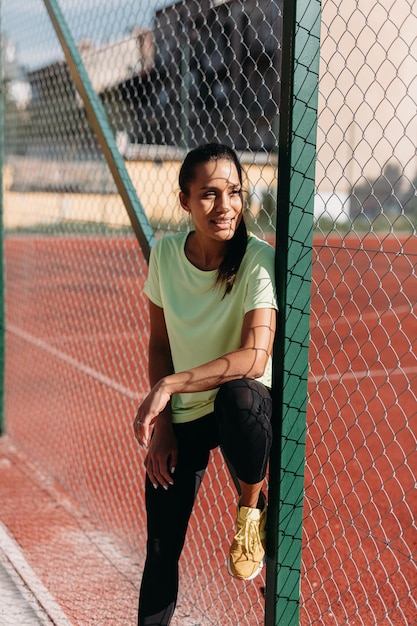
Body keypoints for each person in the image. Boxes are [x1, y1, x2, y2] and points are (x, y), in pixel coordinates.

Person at [133, 143, 277, 626]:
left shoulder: (259, 259)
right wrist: (166, 425)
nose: (225, 207)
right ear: (185, 202)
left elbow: (256, 356)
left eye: (234, 192)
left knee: (237, 397)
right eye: (209, 195)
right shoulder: (166, 255)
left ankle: (251, 506)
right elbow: (159, 344)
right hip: (187, 412)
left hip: (243, 404)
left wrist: (170, 384)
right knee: (159, 551)